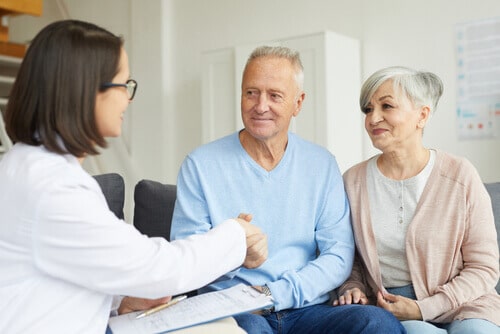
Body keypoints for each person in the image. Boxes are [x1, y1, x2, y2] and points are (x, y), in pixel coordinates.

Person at [0, 19, 268, 333]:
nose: (128, 99)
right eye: (123, 84)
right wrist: (235, 233)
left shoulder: (26, 167)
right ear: (85, 91)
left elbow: (56, 276)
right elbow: (159, 268)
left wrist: (119, 301)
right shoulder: (53, 188)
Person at [170, 46, 405, 334]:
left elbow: (338, 255)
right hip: (235, 309)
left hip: (307, 308)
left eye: (275, 95)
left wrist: (272, 295)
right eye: (251, 93)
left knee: (378, 324)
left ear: (298, 103)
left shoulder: (321, 164)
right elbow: (185, 258)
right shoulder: (200, 164)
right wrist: (232, 253)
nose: (260, 105)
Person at [333, 66, 500, 333]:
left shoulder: (460, 174)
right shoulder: (352, 181)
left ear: (422, 116)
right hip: (395, 308)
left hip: (466, 303)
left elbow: (484, 267)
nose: (373, 118)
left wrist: (427, 307)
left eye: (386, 106)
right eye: (367, 109)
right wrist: (351, 287)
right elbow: (347, 258)